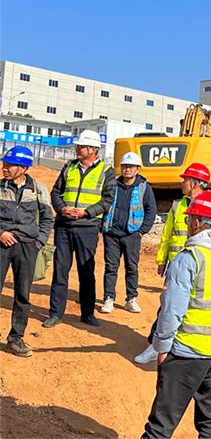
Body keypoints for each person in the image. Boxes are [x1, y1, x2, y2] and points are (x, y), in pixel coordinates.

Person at [142, 191, 211, 439]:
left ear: (198, 222)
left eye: (189, 219)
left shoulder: (189, 258)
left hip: (187, 351)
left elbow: (171, 311)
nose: (188, 223)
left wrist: (162, 346)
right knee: (210, 422)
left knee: (161, 425)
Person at [134, 162, 210, 364]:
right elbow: (167, 234)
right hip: (177, 265)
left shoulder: (210, 205)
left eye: (185, 180)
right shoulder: (178, 205)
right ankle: (155, 346)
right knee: (168, 305)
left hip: (200, 266)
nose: (182, 183)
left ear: (195, 183)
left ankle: (182, 348)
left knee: (192, 308)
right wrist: (162, 259)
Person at [43, 130, 116, 328]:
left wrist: (86, 213)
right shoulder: (69, 167)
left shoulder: (106, 171)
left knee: (86, 271)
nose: (77, 149)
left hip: (87, 228)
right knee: (60, 271)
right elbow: (56, 192)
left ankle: (87, 313)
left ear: (93, 149)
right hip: (64, 227)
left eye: (81, 146)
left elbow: (108, 199)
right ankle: (55, 313)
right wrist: (61, 209)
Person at [0, 146, 53, 357]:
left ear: (23, 168)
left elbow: (47, 218)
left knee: (22, 294)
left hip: (27, 247)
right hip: (2, 245)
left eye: (9, 165)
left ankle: (16, 339)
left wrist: (38, 242)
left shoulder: (38, 188)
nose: (4, 168)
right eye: (4, 164)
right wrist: (1, 233)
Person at [100, 152, 156, 314]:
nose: (127, 169)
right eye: (125, 166)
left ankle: (131, 299)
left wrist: (141, 231)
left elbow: (151, 210)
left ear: (137, 168)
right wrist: (103, 227)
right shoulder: (113, 185)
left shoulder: (144, 187)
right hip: (112, 234)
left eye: (130, 167)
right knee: (111, 267)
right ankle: (109, 298)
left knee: (131, 267)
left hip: (132, 235)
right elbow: (104, 204)